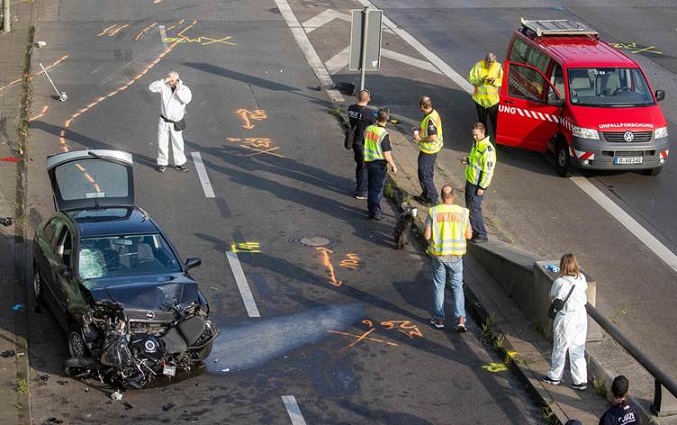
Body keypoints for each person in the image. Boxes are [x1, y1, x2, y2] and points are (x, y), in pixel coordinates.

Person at [424, 185, 472, 332]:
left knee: (439, 286)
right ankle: (461, 319)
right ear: (453, 196)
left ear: (441, 196)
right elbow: (469, 235)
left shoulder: (433, 212)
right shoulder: (463, 212)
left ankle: (439, 318)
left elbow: (427, 235)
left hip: (439, 256)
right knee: (457, 286)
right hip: (457, 255)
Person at [542, 253, 589, 391]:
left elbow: (553, 296)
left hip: (566, 317)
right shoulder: (581, 278)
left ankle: (555, 376)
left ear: (562, 266)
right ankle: (580, 380)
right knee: (578, 349)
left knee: (560, 347)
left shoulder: (560, 282)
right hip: (581, 315)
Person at [149, 71, 192, 173]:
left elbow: (186, 100)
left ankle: (179, 163)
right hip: (164, 120)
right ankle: (162, 163)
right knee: (162, 142)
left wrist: (178, 91)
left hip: (176, 122)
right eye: (169, 79)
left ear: (177, 79)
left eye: (173, 80)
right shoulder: (164, 87)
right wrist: (163, 81)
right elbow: (151, 87)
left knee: (178, 143)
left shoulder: (184, 89)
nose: (171, 82)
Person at [462, 122, 496, 243]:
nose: (474, 137)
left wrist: (482, 186)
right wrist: (467, 160)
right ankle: (475, 231)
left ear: (482, 132)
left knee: (474, 209)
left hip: (477, 185)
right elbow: (475, 161)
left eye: (476, 135)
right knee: (470, 208)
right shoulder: (476, 143)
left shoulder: (488, 150)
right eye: (473, 135)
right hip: (471, 180)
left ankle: (481, 234)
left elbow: (488, 171)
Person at [363, 108, 398, 220]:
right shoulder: (384, 134)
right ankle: (375, 213)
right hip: (379, 164)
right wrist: (393, 165)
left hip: (368, 162)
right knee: (376, 190)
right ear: (387, 118)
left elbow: (365, 142)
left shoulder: (368, 129)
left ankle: (371, 209)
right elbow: (387, 154)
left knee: (371, 186)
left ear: (377, 117)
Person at [412, 96, 443, 206]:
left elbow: (433, 137)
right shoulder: (433, 113)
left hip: (429, 151)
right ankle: (425, 194)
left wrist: (420, 139)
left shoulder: (430, 120)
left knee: (424, 174)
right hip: (431, 151)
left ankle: (432, 197)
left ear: (421, 106)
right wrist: (420, 129)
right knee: (426, 173)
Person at [347, 89, 377, 199]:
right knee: (364, 167)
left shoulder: (351, 108)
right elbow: (375, 125)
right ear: (368, 99)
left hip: (354, 140)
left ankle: (359, 184)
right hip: (364, 142)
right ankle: (361, 191)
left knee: (360, 164)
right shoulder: (368, 113)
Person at [468, 52, 503, 136]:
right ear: (485, 60)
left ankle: (496, 138)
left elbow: (502, 81)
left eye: (491, 64)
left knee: (494, 121)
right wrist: (481, 81)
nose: (489, 65)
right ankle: (483, 137)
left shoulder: (498, 67)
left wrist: (494, 81)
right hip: (480, 100)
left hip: (492, 101)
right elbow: (471, 79)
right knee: (482, 121)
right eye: (488, 63)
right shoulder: (478, 66)